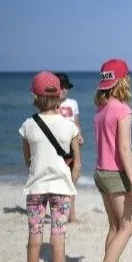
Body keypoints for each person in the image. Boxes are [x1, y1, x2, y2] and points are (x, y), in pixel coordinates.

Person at [19, 71, 83, 262]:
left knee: (34, 238)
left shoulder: (28, 125)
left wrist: (38, 171)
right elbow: (76, 163)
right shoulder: (69, 127)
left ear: (34, 96)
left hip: (36, 188)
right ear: (60, 95)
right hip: (60, 189)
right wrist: (71, 184)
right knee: (58, 238)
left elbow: (28, 158)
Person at [92, 59, 132, 262]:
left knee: (114, 227)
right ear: (124, 80)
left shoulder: (101, 110)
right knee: (128, 226)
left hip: (100, 172)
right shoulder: (123, 110)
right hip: (115, 175)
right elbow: (124, 149)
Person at [55, 72, 82, 223]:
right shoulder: (51, 104)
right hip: (57, 147)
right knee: (60, 180)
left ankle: (71, 215)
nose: (64, 90)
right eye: (61, 87)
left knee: (72, 180)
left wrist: (80, 135)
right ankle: (59, 212)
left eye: (66, 87)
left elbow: (76, 123)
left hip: (72, 146)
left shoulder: (73, 103)